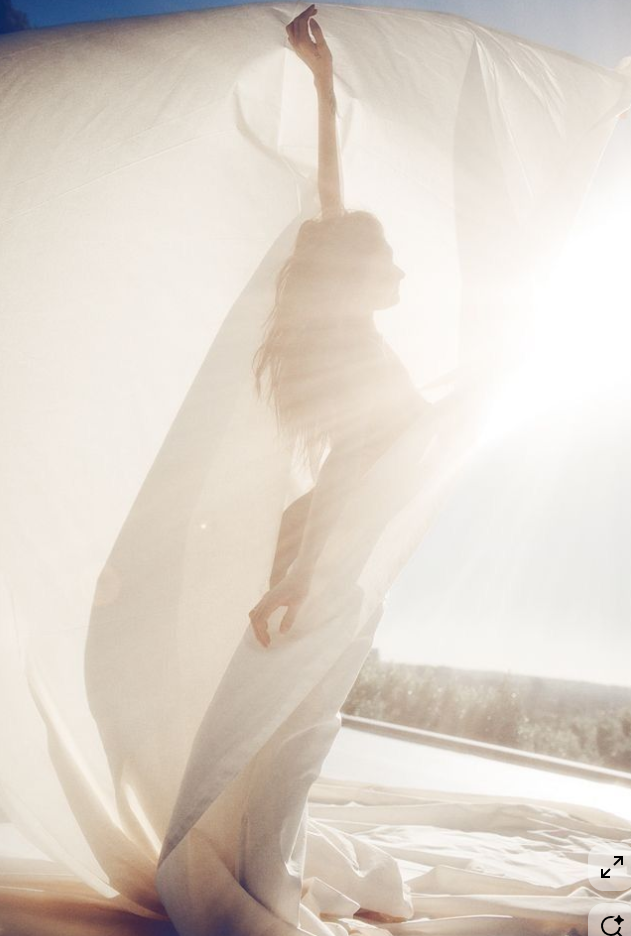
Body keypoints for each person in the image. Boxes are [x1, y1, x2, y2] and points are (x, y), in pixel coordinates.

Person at [249, 4, 430, 650]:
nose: (401, 274)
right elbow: (345, 460)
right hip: (347, 523)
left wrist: (323, 84)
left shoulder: (348, 329)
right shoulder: (355, 356)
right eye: (389, 262)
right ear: (357, 275)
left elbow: (332, 195)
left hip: (362, 513)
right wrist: (301, 568)